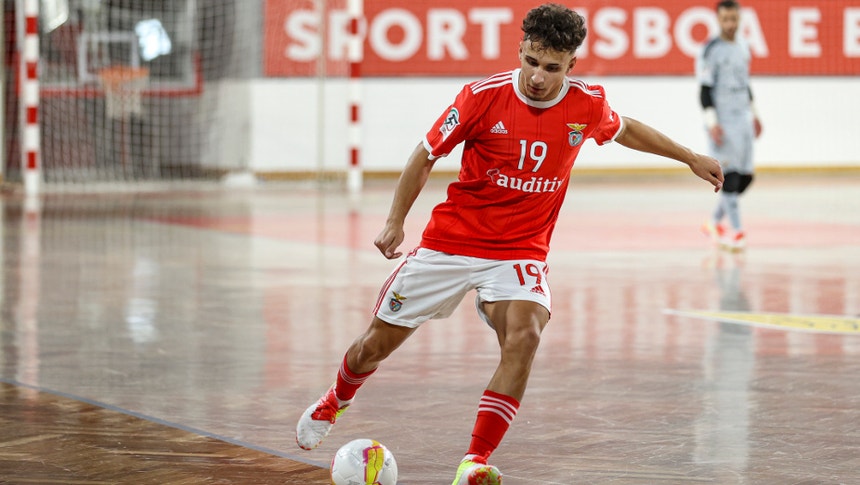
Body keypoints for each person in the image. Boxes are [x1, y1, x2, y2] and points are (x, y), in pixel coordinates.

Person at [296, 4, 723, 484]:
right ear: (521, 50)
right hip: (451, 243)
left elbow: (627, 130)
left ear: (571, 66)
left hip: (520, 252)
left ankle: (474, 462)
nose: (538, 77)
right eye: (532, 62)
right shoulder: (481, 97)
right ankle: (336, 400)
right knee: (372, 348)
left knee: (525, 337)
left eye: (552, 68)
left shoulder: (586, 103)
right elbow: (425, 154)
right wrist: (396, 222)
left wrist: (689, 156)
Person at [697, 0, 763, 251]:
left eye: (734, 19)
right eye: (725, 19)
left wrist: (755, 114)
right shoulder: (710, 50)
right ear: (718, 20)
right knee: (730, 177)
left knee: (745, 177)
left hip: (742, 119)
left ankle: (713, 222)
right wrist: (712, 123)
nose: (730, 24)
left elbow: (745, 84)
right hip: (723, 122)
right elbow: (704, 90)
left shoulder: (744, 47)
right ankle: (737, 232)